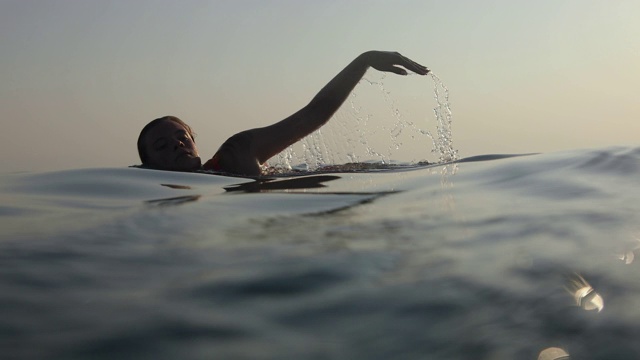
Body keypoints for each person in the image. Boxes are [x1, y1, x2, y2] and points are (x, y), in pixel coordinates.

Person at [137, 51, 429, 176]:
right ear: (147, 166)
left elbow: (314, 115)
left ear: (194, 141)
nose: (177, 144)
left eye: (182, 137)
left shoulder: (236, 154)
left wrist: (363, 61)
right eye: (162, 146)